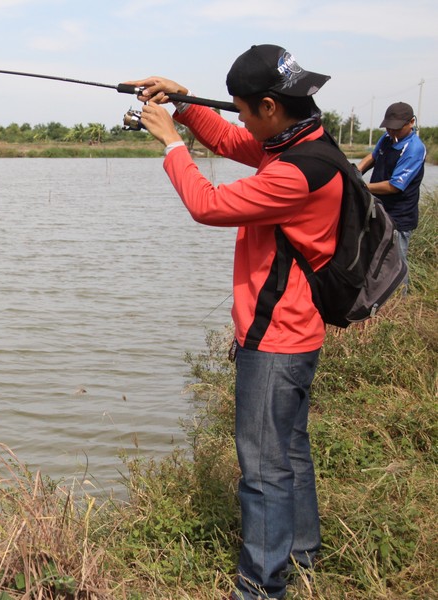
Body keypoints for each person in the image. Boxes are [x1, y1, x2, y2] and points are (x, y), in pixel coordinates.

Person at [123, 44, 341, 599]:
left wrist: (172, 143)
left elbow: (209, 205)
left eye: (243, 108)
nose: (239, 118)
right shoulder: (302, 140)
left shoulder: (296, 172)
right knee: (289, 449)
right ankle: (303, 554)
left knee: (263, 473)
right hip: (297, 330)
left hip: (275, 338)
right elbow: (229, 139)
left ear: (270, 105)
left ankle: (261, 589)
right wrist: (187, 104)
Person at [357, 101, 426, 280]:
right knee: (373, 256)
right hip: (379, 209)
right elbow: (372, 157)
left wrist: (361, 187)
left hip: (399, 216)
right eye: (389, 128)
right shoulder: (387, 139)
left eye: (396, 128)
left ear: (411, 122)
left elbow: (394, 186)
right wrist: (355, 173)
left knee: (396, 262)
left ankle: (401, 301)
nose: (392, 132)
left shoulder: (414, 148)